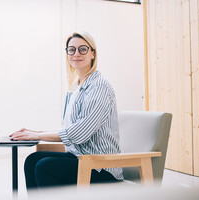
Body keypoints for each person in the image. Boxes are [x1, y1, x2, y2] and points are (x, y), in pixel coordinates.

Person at [10, 31, 123, 189]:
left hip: (100, 167)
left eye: (82, 49)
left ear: (92, 54)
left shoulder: (99, 86)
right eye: (72, 50)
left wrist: (38, 135)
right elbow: (68, 129)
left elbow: (79, 133)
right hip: (79, 158)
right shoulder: (76, 87)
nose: (76, 54)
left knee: (45, 167)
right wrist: (37, 132)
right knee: (32, 160)